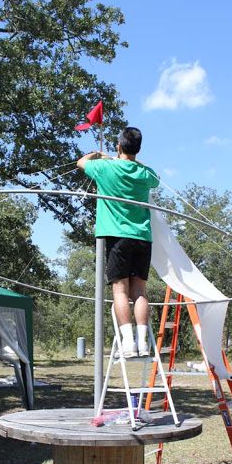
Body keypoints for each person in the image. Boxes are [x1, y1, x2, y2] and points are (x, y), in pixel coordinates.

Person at [77, 127, 159, 358]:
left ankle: (128, 344)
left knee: (120, 292)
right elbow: (156, 179)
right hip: (142, 238)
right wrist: (125, 157)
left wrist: (97, 154)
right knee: (140, 292)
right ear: (138, 149)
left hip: (117, 237)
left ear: (118, 146)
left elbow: (81, 162)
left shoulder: (105, 168)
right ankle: (143, 343)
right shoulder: (145, 174)